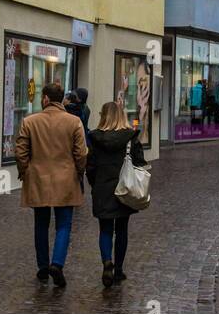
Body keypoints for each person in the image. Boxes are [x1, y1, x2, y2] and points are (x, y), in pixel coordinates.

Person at [14, 81, 87, 288]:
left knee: (41, 224)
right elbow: (81, 154)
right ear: (61, 98)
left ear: (45, 98)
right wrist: (79, 173)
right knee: (64, 224)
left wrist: (25, 171)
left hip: (38, 179)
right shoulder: (74, 122)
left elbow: (20, 152)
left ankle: (43, 267)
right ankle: (57, 263)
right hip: (66, 179)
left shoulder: (30, 121)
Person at [86, 100, 147, 287]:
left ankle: (107, 262)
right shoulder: (130, 138)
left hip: (103, 188)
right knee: (121, 229)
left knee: (105, 229)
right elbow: (139, 163)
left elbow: (91, 166)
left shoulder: (95, 139)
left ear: (103, 117)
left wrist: (94, 184)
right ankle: (119, 270)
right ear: (121, 115)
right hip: (125, 188)